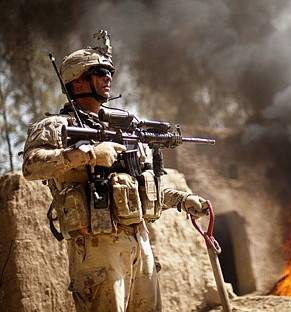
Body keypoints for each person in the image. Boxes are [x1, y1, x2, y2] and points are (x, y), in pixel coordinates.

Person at [22, 31, 209, 312]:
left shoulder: (123, 130)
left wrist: (183, 200)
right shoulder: (55, 126)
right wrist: (85, 154)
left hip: (138, 239)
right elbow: (31, 165)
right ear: (77, 80)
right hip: (97, 245)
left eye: (110, 72)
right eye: (99, 72)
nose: (108, 78)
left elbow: (145, 185)